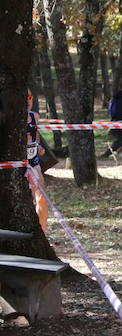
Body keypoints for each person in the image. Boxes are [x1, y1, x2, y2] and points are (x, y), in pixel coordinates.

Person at [26, 89, 48, 232]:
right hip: (14, 165)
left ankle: (42, 233)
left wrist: (38, 145)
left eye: (29, 97)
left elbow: (36, 135)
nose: (27, 100)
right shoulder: (6, 117)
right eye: (24, 97)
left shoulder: (35, 116)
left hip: (33, 162)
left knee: (42, 198)